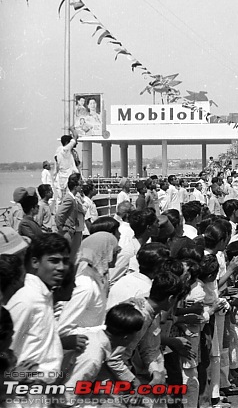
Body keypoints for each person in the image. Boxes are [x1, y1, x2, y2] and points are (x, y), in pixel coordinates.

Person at [7, 233, 73, 384]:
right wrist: (12, 377)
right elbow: (5, 347)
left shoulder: (44, 295)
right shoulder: (27, 299)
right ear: (35, 262)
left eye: (65, 261)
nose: (61, 267)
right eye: (54, 261)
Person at [61, 303, 145, 406]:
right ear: (126, 337)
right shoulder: (94, 357)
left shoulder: (94, 339)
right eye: (135, 334)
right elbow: (67, 397)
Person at [55, 172, 85, 258]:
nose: (81, 185)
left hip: (72, 231)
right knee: (67, 256)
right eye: (80, 184)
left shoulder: (73, 198)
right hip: (67, 231)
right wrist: (61, 228)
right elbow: (59, 214)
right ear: (75, 186)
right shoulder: (69, 198)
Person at [54, 130, 79, 202]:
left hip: (61, 178)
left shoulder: (58, 150)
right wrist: (72, 129)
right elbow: (76, 136)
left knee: (60, 199)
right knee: (70, 198)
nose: (76, 143)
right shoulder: (66, 149)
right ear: (67, 143)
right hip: (69, 177)